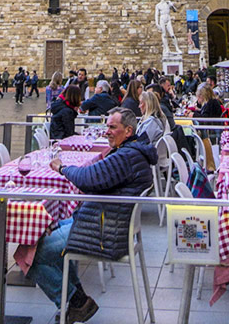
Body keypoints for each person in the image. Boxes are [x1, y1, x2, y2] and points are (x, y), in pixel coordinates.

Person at [30, 107, 157, 323]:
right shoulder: (134, 151)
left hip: (105, 231)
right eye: (106, 126)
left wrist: (62, 169)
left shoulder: (125, 156)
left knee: (31, 253)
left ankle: (74, 301)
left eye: (112, 127)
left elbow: (88, 179)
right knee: (46, 230)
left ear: (128, 131)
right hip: (110, 222)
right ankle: (77, 300)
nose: (106, 131)